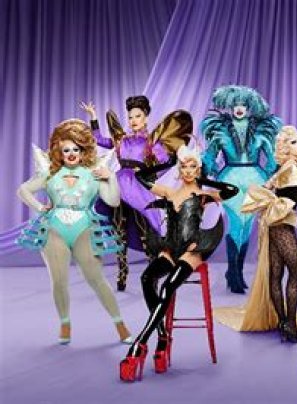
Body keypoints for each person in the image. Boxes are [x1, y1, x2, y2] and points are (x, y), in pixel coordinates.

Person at [119, 144, 238, 382]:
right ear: (179, 169)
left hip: (192, 250)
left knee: (167, 287)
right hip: (171, 248)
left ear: (198, 169)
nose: (188, 170)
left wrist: (204, 180)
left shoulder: (204, 196)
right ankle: (163, 336)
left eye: (193, 166)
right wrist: (169, 163)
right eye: (184, 166)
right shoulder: (170, 192)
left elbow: (232, 190)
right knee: (146, 278)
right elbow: (141, 177)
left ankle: (140, 343)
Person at [17, 119, 132, 345]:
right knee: (59, 281)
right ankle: (65, 323)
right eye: (66, 150)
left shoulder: (94, 173)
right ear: (59, 152)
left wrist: (111, 177)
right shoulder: (50, 173)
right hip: (54, 230)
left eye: (75, 149)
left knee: (96, 279)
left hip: (84, 229)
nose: (71, 154)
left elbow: (113, 201)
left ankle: (120, 324)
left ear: (83, 150)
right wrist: (39, 207)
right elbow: (23, 190)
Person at [81, 97, 192, 291]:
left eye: (138, 116)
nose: (133, 120)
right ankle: (122, 274)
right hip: (119, 185)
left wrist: (151, 176)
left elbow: (166, 163)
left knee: (144, 230)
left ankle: (152, 273)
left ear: (146, 117)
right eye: (131, 117)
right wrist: (93, 117)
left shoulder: (152, 143)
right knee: (119, 231)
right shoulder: (122, 140)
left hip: (138, 189)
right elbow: (98, 140)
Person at [238, 126, 297, 342]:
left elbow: (267, 187)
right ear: (285, 148)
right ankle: (289, 325)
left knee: (276, 274)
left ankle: (283, 322)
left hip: (273, 224)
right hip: (281, 226)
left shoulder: (283, 168)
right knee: (295, 271)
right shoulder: (294, 170)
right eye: (293, 142)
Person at [200, 86, 282, 293]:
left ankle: (236, 271)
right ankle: (234, 272)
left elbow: (271, 158)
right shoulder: (220, 129)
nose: (239, 108)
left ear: (249, 107)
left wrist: (273, 175)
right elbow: (210, 157)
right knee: (237, 223)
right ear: (229, 106)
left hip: (255, 180)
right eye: (235, 104)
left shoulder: (262, 131)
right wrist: (207, 167)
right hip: (231, 181)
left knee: (247, 226)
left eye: (243, 105)